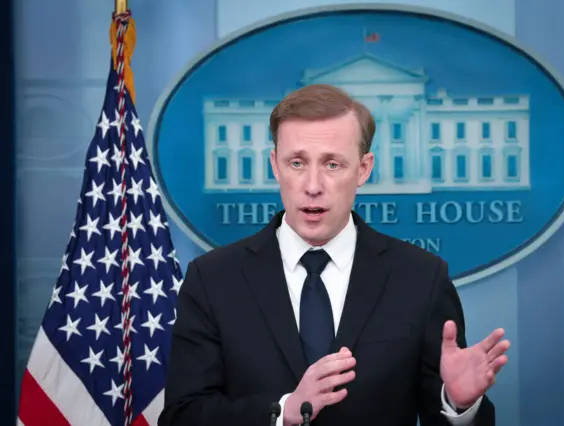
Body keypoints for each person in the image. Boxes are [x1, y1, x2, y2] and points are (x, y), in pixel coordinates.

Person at [158, 84, 509, 426]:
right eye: (297, 163)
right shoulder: (214, 279)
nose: (312, 185)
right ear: (274, 166)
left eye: (332, 165)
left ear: (364, 169)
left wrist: (458, 405)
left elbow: (445, 414)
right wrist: (283, 412)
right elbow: (182, 416)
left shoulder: (420, 278)